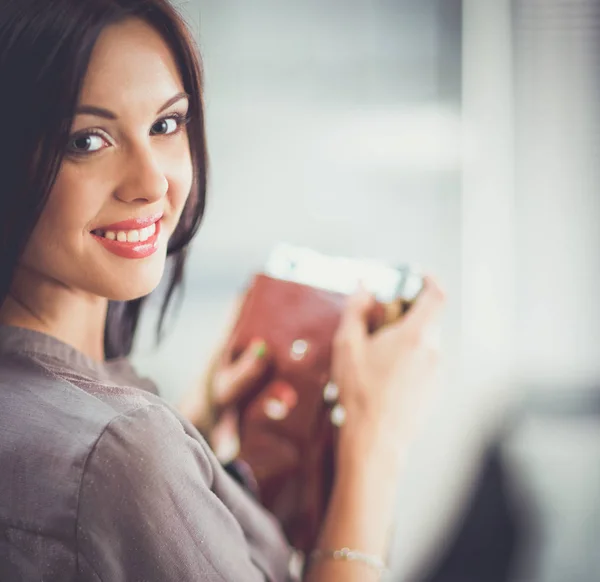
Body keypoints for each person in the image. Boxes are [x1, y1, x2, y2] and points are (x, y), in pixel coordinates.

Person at [0, 0, 446, 580]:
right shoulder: (120, 455)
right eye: (87, 140)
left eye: (165, 125)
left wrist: (197, 431)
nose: (151, 182)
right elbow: (98, 474)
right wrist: (374, 447)